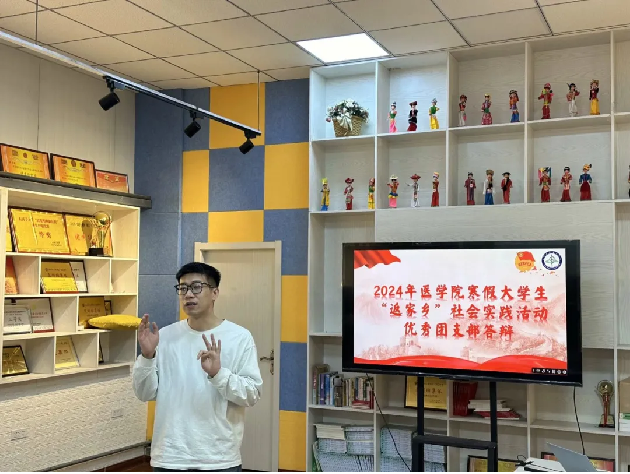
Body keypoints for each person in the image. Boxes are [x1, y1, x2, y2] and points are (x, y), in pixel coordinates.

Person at [133, 262, 263, 472]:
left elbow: (252, 394)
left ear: (215, 293)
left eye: (196, 287)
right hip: (170, 456)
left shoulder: (239, 337)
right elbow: (144, 393)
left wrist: (218, 374)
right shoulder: (165, 336)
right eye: (182, 288)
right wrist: (147, 357)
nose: (188, 294)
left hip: (219, 458)